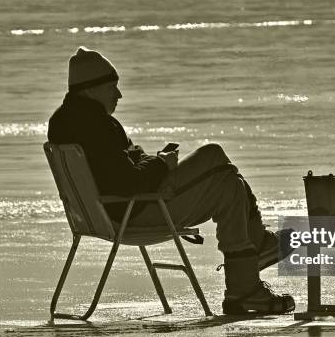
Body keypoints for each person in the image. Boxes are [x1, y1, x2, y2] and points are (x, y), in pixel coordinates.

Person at [47, 47, 294, 314]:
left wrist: (150, 161)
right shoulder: (98, 126)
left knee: (226, 177)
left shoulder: (64, 122)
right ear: (91, 89)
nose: (118, 94)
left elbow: (120, 171)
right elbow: (130, 182)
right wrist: (161, 164)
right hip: (135, 211)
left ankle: (249, 271)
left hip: (101, 214)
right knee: (219, 164)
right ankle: (249, 271)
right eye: (112, 87)